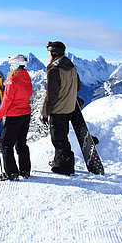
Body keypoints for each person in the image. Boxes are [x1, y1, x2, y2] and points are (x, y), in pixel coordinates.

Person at [42, 41, 81, 176]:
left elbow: (51, 94)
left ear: (53, 53)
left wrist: (45, 112)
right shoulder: (71, 66)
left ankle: (66, 166)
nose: (48, 56)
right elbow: (79, 86)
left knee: (58, 139)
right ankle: (58, 161)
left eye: (49, 53)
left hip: (58, 109)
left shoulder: (54, 70)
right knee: (61, 135)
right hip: (69, 107)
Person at [0, 54, 32, 180]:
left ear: (15, 65)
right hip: (25, 115)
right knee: (21, 143)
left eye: (11, 65)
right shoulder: (27, 78)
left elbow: (7, 101)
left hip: (14, 117)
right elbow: (19, 93)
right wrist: (6, 89)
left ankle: (11, 173)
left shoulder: (12, 80)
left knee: (5, 144)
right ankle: (25, 170)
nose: (10, 68)